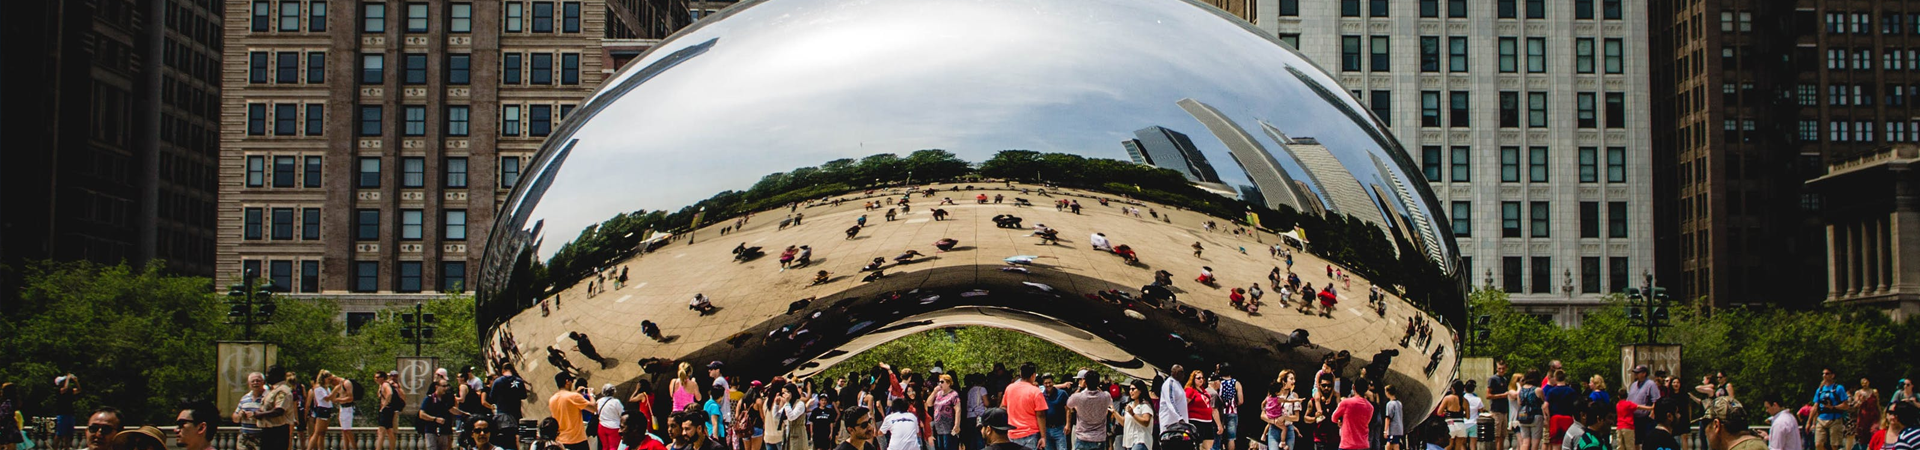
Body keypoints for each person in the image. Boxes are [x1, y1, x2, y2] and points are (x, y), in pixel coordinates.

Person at [1004, 363, 1050, 450]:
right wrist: (1043, 437)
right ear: (1033, 375)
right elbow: (1040, 415)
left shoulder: (1009, 388)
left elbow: (1003, 407)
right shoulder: (1036, 391)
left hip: (1012, 433)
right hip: (1030, 434)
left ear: (1020, 374)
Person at [1063, 371, 1113, 450]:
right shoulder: (1106, 396)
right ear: (1098, 382)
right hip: (1099, 438)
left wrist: (1080, 387)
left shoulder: (1079, 397)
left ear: (1085, 382)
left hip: (1083, 437)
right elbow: (1109, 402)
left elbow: (1068, 403)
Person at [548, 373, 597, 450]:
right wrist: (591, 395)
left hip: (561, 440)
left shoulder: (552, 400)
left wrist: (577, 394)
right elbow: (593, 408)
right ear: (567, 381)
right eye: (571, 381)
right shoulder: (573, 396)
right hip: (577, 440)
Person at [255, 367, 298, 450]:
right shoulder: (273, 390)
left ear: (276, 376)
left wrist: (260, 414)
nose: (266, 376)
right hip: (268, 430)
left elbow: (279, 410)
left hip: (278, 431)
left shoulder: (283, 391)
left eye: (268, 374)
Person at [489, 366, 529, 450]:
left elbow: (491, 397)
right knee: (517, 435)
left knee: (506, 438)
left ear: (503, 370)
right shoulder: (519, 381)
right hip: (516, 413)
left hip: (503, 414)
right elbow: (524, 396)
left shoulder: (497, 381)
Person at [1811, 368, 1851, 450]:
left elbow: (1846, 405)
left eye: (1827, 374)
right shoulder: (1820, 390)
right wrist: (1810, 422)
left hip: (1835, 418)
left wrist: (1833, 407)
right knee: (1818, 444)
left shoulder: (1838, 388)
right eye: (1823, 374)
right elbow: (1815, 406)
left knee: (1834, 445)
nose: (1824, 376)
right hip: (1821, 419)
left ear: (1832, 375)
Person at [419, 380, 463, 450]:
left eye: (447, 386)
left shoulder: (445, 399)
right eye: (443, 386)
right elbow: (421, 414)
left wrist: (463, 413)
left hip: (444, 431)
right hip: (431, 431)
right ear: (437, 387)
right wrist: (435, 419)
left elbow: (451, 409)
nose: (445, 388)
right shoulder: (429, 399)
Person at [1629, 366, 1664, 450]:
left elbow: (1656, 400)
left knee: (1647, 440)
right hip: (1634, 418)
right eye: (1635, 373)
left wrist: (1652, 415)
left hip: (1646, 418)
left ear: (1644, 373)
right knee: (1636, 441)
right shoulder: (1633, 385)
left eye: (1638, 372)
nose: (1636, 374)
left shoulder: (1651, 384)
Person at [236, 372, 268, 450]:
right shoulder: (245, 398)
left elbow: (274, 415)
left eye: (258, 381)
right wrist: (240, 415)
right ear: (249, 383)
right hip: (244, 437)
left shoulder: (268, 397)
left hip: (261, 436)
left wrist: (255, 415)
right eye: (252, 381)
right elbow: (235, 417)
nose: (255, 383)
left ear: (263, 382)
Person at [1186, 370, 1217, 450]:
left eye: (1202, 378)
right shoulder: (1190, 390)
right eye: (1198, 378)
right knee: (1196, 444)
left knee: (1208, 443)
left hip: (1208, 421)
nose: (1201, 380)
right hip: (1196, 421)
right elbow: (1184, 404)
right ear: (1193, 379)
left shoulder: (1204, 391)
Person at [1216, 365, 1244, 450]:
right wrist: (1234, 405)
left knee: (1218, 436)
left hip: (1219, 413)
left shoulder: (1218, 382)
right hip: (1232, 412)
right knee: (1231, 438)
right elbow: (1241, 401)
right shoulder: (1236, 383)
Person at [931, 375, 963, 450]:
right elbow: (929, 403)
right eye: (939, 382)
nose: (940, 384)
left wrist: (957, 425)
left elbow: (958, 410)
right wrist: (934, 391)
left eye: (942, 382)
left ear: (948, 383)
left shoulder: (953, 394)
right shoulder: (938, 394)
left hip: (948, 428)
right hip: (938, 428)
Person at [1122, 381, 1155, 450]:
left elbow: (1146, 422)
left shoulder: (1145, 406)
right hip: (1129, 442)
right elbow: (1124, 422)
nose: (1131, 391)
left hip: (1141, 440)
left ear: (1140, 391)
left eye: (1133, 389)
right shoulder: (1129, 405)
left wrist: (1133, 414)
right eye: (1130, 389)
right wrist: (1114, 412)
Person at [307, 371, 336, 450]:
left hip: (328, 409)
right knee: (317, 432)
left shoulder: (327, 388)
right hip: (322, 410)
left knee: (322, 433)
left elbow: (332, 399)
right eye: (328, 379)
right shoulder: (318, 388)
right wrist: (336, 389)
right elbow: (327, 398)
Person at [1043, 374, 1072, 450]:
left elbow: (1068, 409)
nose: (1048, 385)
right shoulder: (1042, 395)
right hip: (1046, 429)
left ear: (1053, 382)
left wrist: (1068, 424)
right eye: (1046, 383)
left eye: (1050, 382)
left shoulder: (1062, 394)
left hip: (1059, 428)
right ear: (1043, 384)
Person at [53, 375, 81, 450]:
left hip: (70, 414)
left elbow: (79, 390)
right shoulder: (59, 391)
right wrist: (68, 379)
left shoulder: (69, 391)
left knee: (68, 435)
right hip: (62, 415)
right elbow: (64, 389)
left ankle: (67, 448)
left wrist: (76, 381)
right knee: (59, 434)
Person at [1162, 365, 1192, 434]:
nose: (1183, 375)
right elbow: (1170, 402)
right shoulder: (1170, 384)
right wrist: (1179, 418)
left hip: (1179, 425)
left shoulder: (1177, 384)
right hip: (1171, 424)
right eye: (1181, 372)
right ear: (1175, 373)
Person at [334, 372, 359, 450]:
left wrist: (338, 399)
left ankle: (354, 448)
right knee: (344, 431)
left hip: (347, 408)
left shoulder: (346, 383)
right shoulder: (339, 386)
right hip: (342, 408)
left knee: (347, 430)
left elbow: (350, 398)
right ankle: (346, 447)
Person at [1856, 379, 1882, 450]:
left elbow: (1878, 404)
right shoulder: (1858, 393)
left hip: (1874, 415)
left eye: (1866, 382)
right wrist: (1860, 401)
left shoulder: (1874, 392)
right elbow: (1855, 406)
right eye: (1863, 383)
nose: (1865, 384)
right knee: (1863, 436)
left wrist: (1881, 415)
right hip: (1863, 417)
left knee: (1874, 431)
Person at [600, 385, 627, 450]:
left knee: (605, 446)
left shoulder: (599, 401)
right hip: (613, 428)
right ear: (613, 392)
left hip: (601, 427)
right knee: (614, 447)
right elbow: (622, 414)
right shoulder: (616, 402)